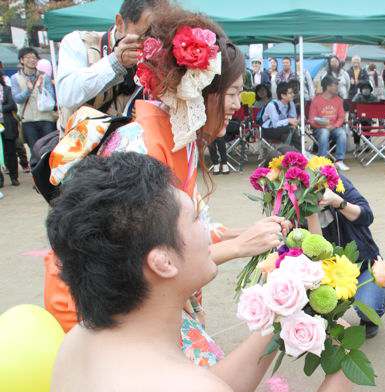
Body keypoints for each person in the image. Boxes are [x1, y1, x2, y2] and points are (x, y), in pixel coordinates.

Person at [43, 151, 352, 392]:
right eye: (195, 218)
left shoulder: (79, 342)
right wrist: (345, 370)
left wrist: (282, 309)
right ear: (162, 262)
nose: (208, 230)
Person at [44, 7, 288, 342]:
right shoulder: (141, 145)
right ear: (198, 91)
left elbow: (189, 229)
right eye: (231, 93)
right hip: (103, 313)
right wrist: (243, 245)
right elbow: (149, 262)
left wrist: (252, 233)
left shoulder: (178, 136)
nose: (236, 105)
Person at [56, 0, 159, 132]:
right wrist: (116, 62)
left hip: (131, 147)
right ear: (120, 23)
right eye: (145, 34)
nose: (148, 42)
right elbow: (67, 95)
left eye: (156, 36)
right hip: (80, 147)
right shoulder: (79, 42)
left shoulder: (155, 54)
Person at [312, 173, 385, 338]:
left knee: (368, 308)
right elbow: (314, 248)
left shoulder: (333, 180)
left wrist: (338, 201)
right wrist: (309, 212)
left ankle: (373, 309)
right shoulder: (288, 205)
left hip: (361, 263)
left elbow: (367, 215)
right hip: (324, 270)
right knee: (318, 309)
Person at [11, 47, 57, 157]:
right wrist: (28, 90)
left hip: (46, 119)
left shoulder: (44, 77)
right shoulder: (15, 78)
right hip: (28, 121)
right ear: (21, 60)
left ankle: (49, 173)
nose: (32, 59)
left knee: (50, 149)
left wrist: (42, 90)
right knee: (34, 150)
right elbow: (17, 98)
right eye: (28, 57)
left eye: (34, 57)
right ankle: (37, 173)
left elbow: (52, 99)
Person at [309, 75, 348, 171]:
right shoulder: (316, 100)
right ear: (328, 87)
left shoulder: (338, 100)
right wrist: (324, 124)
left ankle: (339, 160)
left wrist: (334, 126)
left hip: (334, 127)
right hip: (319, 128)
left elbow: (341, 117)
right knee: (324, 132)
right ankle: (322, 161)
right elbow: (311, 119)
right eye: (335, 85)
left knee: (342, 133)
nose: (337, 87)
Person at [260, 81, 301, 150]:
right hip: (268, 130)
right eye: (290, 93)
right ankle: (283, 151)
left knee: (293, 130)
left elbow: (293, 118)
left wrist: (296, 121)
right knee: (289, 129)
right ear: (283, 95)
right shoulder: (272, 105)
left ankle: (300, 153)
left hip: (282, 128)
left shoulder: (290, 103)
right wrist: (288, 120)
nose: (293, 94)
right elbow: (275, 124)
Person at [1, 76, 19, 187]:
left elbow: (12, 105)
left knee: (10, 152)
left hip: (7, 124)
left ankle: (14, 177)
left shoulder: (7, 89)